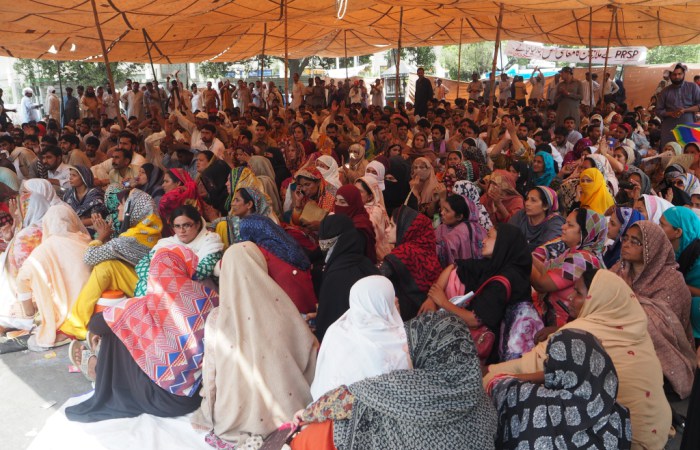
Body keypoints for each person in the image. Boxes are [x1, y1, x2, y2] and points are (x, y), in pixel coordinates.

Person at [485, 269, 672, 450]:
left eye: (578, 293)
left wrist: (489, 374)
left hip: (627, 439)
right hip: (654, 432)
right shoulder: (634, 326)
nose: (570, 298)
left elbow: (523, 366)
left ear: (596, 300)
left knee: (517, 393)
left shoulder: (580, 334)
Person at [291, 311, 497, 450]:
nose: (408, 347)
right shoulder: (485, 404)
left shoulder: (410, 385)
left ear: (427, 346)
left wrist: (307, 414)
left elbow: (347, 399)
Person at [65, 245, 218, 421]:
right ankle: (100, 366)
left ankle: (100, 369)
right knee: (128, 326)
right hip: (194, 397)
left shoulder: (143, 305)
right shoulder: (210, 298)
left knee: (117, 329)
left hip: (158, 400)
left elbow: (95, 325)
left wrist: (129, 319)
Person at [191, 242, 317, 447]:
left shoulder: (217, 320)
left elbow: (211, 373)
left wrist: (209, 406)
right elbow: (309, 352)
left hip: (233, 416)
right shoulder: (285, 308)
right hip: (289, 407)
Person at [488, 329, 632, 449]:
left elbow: (496, 383)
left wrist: (546, 376)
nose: (546, 364)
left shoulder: (530, 399)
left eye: (550, 359)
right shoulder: (618, 415)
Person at [427, 222, 542, 362]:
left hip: (500, 350)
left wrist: (442, 302)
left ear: (502, 242)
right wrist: (431, 299)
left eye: (489, 236)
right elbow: (455, 266)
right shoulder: (498, 266)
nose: (483, 241)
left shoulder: (503, 281)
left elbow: (474, 320)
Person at [60, 189, 162, 340]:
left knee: (104, 268)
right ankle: (80, 323)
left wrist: (101, 236)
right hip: (148, 284)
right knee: (108, 266)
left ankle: (76, 325)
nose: (119, 208)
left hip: (147, 290)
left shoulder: (133, 238)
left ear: (132, 209)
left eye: (122, 205)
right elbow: (115, 252)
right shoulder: (151, 228)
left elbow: (89, 257)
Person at [611, 221, 695, 399]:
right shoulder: (620, 268)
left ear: (652, 247)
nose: (626, 244)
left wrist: (628, 294)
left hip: (661, 351)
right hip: (618, 343)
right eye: (625, 238)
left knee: (647, 323)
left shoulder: (671, 280)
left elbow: (660, 325)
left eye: (635, 241)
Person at [310, 275, 410, 400]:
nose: (395, 299)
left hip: (326, 408)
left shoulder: (336, 329)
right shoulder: (395, 341)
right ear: (382, 302)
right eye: (390, 296)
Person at [14, 204, 90, 350]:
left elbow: (22, 278)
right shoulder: (84, 241)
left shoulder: (42, 251)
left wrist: (29, 312)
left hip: (64, 318)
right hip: (89, 313)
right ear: (73, 221)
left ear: (47, 224)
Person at [0, 180, 63, 334]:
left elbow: (20, 272)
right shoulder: (48, 223)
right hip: (53, 292)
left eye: (22, 209)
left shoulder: (28, 236)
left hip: (31, 299)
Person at [531, 208, 607, 329]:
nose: (563, 227)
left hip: (564, 328)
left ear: (585, 233)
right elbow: (545, 269)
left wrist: (521, 256)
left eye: (570, 225)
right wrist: (526, 254)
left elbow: (541, 284)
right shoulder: (571, 252)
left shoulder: (583, 259)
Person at [133, 205, 223, 297]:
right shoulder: (167, 243)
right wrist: (159, 277)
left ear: (197, 224)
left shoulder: (210, 241)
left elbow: (203, 270)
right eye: (177, 226)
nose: (182, 230)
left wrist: (167, 277)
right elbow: (142, 264)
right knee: (147, 284)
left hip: (195, 287)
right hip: (164, 283)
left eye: (187, 225)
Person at [316, 214, 380, 342]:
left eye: (328, 243)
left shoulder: (336, 276)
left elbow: (328, 325)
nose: (325, 249)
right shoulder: (366, 265)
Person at [380, 206, 442, 320]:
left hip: (405, 315)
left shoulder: (402, 254)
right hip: (427, 315)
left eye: (392, 225)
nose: (387, 230)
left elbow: (378, 278)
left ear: (406, 230)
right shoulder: (428, 249)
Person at [661, 207, 700, 343]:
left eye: (662, 225)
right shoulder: (672, 252)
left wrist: (677, 283)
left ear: (678, 232)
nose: (657, 227)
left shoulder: (698, 260)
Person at [656, 63, 700, 147]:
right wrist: (671, 113)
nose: (677, 77)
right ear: (670, 75)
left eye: (679, 74)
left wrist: (685, 110)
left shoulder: (693, 87)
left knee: (688, 152)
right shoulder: (665, 91)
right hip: (669, 128)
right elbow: (658, 110)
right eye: (674, 74)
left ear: (684, 74)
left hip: (688, 125)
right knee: (669, 151)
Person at [435, 193, 485, 267]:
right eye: (443, 209)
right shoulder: (442, 228)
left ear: (459, 217)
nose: (442, 213)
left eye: (447, 211)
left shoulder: (468, 231)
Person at [509, 186, 565, 252]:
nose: (527, 203)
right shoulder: (521, 215)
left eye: (533, 200)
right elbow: (507, 236)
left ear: (545, 206)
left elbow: (547, 251)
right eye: (527, 199)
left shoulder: (555, 223)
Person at [334, 184, 377, 263]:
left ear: (353, 204)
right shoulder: (342, 221)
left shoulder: (359, 227)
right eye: (336, 201)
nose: (337, 205)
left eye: (342, 202)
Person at [354, 176, 391, 261]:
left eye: (359, 192)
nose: (355, 194)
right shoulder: (356, 206)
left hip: (376, 255)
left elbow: (367, 228)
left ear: (370, 196)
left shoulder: (376, 210)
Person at [158, 168, 200, 235]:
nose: (163, 185)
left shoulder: (172, 199)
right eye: (163, 182)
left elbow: (165, 202)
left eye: (166, 181)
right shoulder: (191, 192)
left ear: (178, 183)